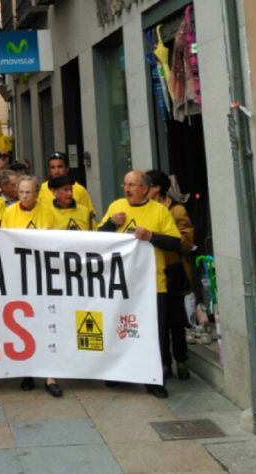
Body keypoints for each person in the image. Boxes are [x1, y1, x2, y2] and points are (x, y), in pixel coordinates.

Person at [97, 170, 182, 398]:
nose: (127, 189)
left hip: (153, 285)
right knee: (118, 328)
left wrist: (151, 237)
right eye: (125, 184)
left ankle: (154, 379)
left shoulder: (159, 211)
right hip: (119, 286)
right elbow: (97, 239)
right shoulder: (116, 207)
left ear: (145, 189)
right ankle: (117, 372)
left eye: (132, 185)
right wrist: (111, 225)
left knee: (155, 334)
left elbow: (176, 243)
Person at [0, 177, 62, 397]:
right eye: (21, 192)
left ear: (37, 194)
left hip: (42, 277)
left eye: (29, 192)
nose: (24, 196)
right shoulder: (9, 213)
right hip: (19, 278)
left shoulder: (48, 212)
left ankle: (50, 374)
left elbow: (57, 242)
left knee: (46, 323)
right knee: (24, 325)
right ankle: (27, 371)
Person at [147, 170, 194, 381]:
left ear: (156, 189)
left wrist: (161, 237)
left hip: (173, 270)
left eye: (146, 186)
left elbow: (186, 242)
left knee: (176, 320)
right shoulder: (147, 211)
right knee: (159, 321)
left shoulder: (177, 211)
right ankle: (163, 363)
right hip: (153, 272)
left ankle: (181, 360)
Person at [38, 152, 95, 217]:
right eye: (53, 167)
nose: (56, 171)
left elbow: (90, 216)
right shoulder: (41, 190)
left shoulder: (79, 189)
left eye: (60, 167)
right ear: (49, 170)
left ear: (67, 169)